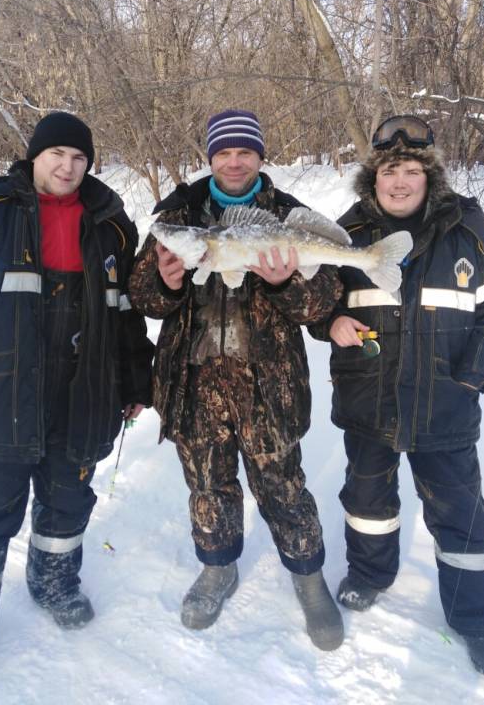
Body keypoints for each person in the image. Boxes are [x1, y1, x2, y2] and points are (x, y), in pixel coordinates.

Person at [0, 111, 154, 704]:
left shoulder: (111, 225)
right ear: (35, 156)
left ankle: (53, 584)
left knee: (69, 501)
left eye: (79, 158)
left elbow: (125, 317)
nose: (67, 167)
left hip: (84, 395)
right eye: (56, 155)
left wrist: (135, 381)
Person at [129, 108, 345, 651]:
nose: (233, 161)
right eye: (222, 152)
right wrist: (165, 281)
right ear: (210, 157)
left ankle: (308, 577)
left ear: (259, 156)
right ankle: (218, 568)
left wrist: (285, 284)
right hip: (193, 384)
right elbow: (143, 295)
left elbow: (324, 301)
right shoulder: (179, 214)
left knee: (283, 486)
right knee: (208, 485)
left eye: (243, 151)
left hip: (267, 387)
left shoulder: (289, 215)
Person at [310, 114, 484, 678]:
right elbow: (315, 302)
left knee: (462, 517)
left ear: (430, 176)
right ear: (374, 176)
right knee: (368, 501)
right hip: (368, 398)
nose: (400, 181)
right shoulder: (344, 232)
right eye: (390, 170)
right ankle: (370, 577)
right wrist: (329, 322)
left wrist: (472, 377)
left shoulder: (474, 233)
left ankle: (479, 623)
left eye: (412, 170)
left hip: (443, 405)